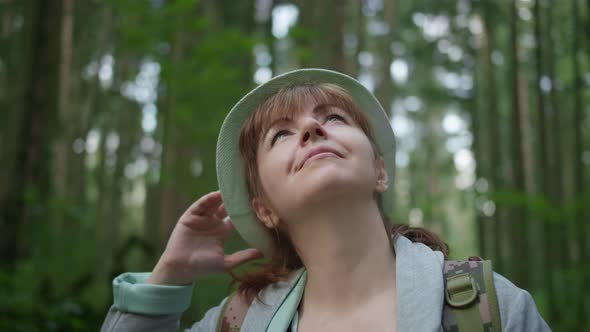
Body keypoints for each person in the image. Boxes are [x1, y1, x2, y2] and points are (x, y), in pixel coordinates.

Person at [100, 69, 550, 331]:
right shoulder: (238, 324)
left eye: (333, 118)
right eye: (281, 135)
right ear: (264, 208)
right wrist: (168, 278)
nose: (312, 130)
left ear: (379, 170)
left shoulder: (487, 308)